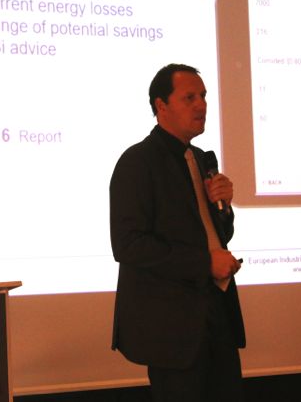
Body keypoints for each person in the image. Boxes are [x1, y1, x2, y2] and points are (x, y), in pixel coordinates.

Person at [109, 63, 246, 401]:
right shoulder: (137, 162)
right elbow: (128, 244)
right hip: (172, 327)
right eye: (189, 97)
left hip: (216, 312)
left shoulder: (200, 159)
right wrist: (206, 263)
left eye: (203, 96)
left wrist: (224, 208)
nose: (201, 105)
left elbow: (214, 234)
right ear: (161, 106)